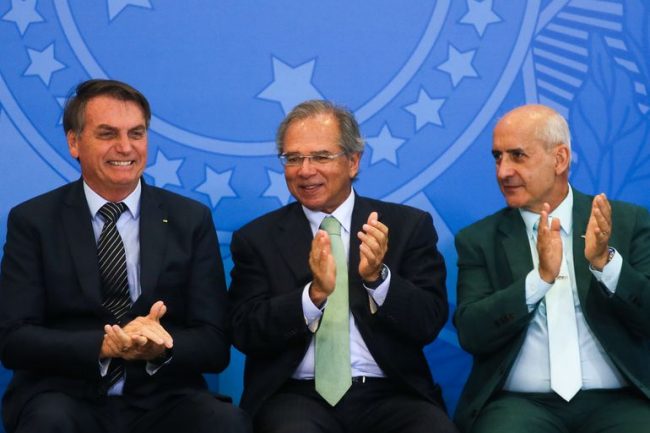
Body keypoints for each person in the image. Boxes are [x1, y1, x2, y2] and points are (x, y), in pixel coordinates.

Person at [0, 79, 251, 433]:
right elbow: (14, 340)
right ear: (74, 142)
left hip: (163, 396)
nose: (125, 147)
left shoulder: (189, 219)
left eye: (136, 133)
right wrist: (101, 346)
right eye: (107, 134)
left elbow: (214, 344)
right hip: (66, 395)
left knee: (226, 423)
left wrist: (160, 347)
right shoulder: (34, 221)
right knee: (48, 422)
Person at [228, 99, 458, 433]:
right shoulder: (257, 239)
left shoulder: (406, 226)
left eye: (321, 156)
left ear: (353, 161)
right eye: (293, 158)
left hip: (391, 392)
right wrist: (313, 296)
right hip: (295, 396)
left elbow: (428, 322)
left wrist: (378, 280)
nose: (305, 170)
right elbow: (244, 330)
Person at [453, 104, 650, 433]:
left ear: (559, 159)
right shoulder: (478, 240)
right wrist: (538, 280)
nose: (503, 172)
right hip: (520, 405)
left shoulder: (627, 223)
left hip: (621, 399)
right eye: (497, 157)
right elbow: (472, 333)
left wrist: (607, 264)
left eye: (517, 156)